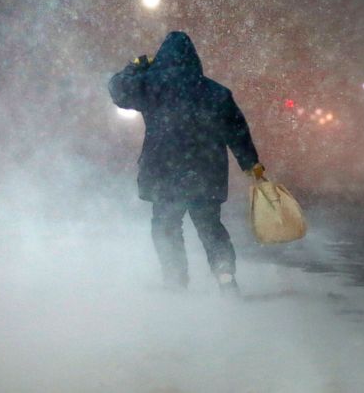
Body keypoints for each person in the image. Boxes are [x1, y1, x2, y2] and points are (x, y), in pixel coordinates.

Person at [109, 31, 264, 293]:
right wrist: (251, 163)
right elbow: (237, 131)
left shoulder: (152, 86)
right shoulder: (216, 92)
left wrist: (135, 67)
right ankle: (225, 276)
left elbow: (118, 90)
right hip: (206, 170)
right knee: (210, 227)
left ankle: (175, 280)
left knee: (166, 226)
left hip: (164, 171)